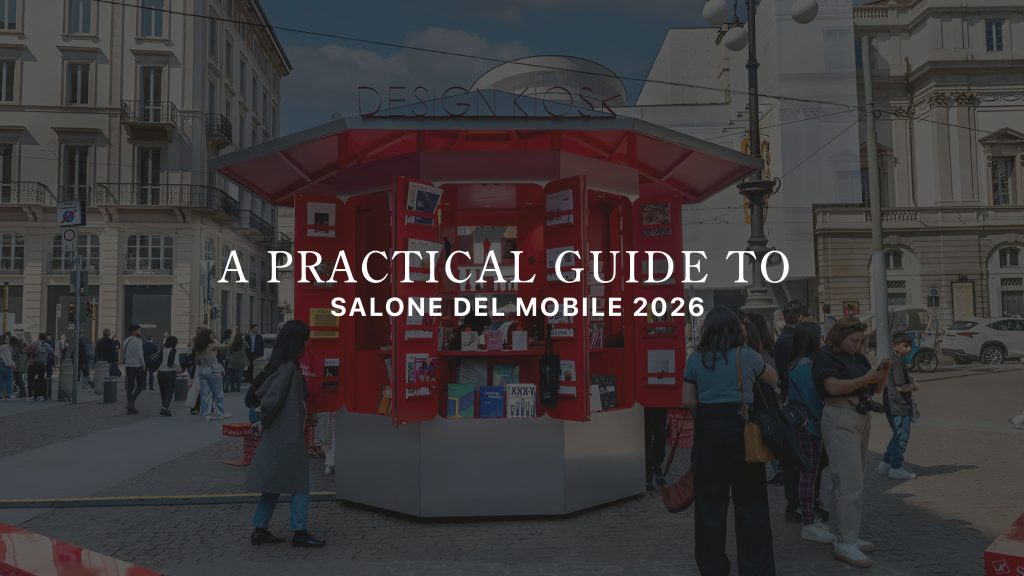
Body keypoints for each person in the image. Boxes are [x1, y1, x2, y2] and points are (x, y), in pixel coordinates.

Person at [683, 306, 779, 575]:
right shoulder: (746, 356)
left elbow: (687, 399)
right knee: (751, 502)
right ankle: (755, 567)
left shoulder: (696, 359)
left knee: (710, 503)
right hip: (742, 430)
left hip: (708, 433)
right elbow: (773, 378)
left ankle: (712, 566)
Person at [812, 317, 892, 568]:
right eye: (853, 341)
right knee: (849, 482)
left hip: (860, 416)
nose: (857, 345)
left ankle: (844, 535)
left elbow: (876, 388)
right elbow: (832, 387)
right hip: (840, 415)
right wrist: (867, 379)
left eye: (860, 341)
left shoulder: (857, 357)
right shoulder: (826, 356)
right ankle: (846, 541)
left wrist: (883, 373)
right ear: (839, 337)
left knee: (851, 480)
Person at [247, 320, 325, 549]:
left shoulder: (280, 364)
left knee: (272, 485)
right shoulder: (289, 368)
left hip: (278, 435)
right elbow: (272, 401)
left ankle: (260, 529)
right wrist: (263, 422)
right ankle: (300, 532)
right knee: (300, 484)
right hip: (287, 436)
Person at [785, 322, 832, 543]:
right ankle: (808, 521)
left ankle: (810, 516)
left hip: (805, 424)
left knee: (808, 474)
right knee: (809, 475)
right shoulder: (805, 366)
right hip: (808, 426)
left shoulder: (800, 363)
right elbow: (812, 400)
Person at [770, 300, 811, 521]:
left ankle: (797, 502)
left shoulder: (785, 338)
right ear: (801, 318)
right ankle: (795, 503)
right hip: (794, 405)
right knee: (796, 458)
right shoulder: (792, 340)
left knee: (795, 458)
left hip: (790, 402)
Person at [879, 332, 919, 481]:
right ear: (895, 346)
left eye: (910, 346)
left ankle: (886, 463)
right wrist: (913, 386)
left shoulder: (892, 360)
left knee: (897, 435)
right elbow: (900, 386)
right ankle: (896, 468)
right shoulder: (898, 362)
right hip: (899, 405)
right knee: (901, 437)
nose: (909, 349)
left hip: (891, 404)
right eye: (905, 345)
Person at [192, 328, 231, 421]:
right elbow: (228, 345)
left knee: (205, 393)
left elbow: (197, 361)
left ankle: (206, 414)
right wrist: (233, 332)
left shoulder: (198, 347)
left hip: (202, 369)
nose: (213, 336)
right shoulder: (212, 345)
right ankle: (221, 413)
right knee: (218, 392)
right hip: (213, 369)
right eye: (211, 335)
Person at [156, 336, 185, 417]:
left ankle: (164, 407)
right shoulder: (174, 350)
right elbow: (176, 363)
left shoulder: (162, 350)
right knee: (170, 391)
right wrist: (179, 370)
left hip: (160, 372)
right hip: (170, 372)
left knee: (163, 391)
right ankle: (164, 408)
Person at [122, 325, 147, 415]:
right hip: (137, 366)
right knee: (141, 385)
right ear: (134, 331)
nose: (140, 332)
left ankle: (130, 409)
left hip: (128, 366)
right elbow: (140, 355)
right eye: (138, 330)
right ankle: (131, 403)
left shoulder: (125, 341)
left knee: (130, 387)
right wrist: (144, 366)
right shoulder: (138, 341)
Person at [643, 407, 668, 490]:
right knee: (647, 435)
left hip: (661, 403)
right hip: (646, 404)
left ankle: (657, 466)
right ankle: (648, 470)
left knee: (661, 434)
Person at [24, 334, 53, 401]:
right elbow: (51, 353)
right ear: (45, 339)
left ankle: (30, 396)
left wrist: (30, 354)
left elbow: (24, 350)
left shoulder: (33, 344)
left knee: (30, 380)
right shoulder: (47, 345)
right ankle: (40, 395)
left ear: (39, 337)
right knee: (41, 380)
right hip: (42, 365)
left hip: (32, 364)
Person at [0, 333, 13, 400]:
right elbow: (8, 358)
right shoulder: (6, 347)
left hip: (0, 363)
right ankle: (8, 395)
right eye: (7, 339)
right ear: (4, 340)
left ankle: (1, 394)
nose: (8, 340)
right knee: (9, 380)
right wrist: (12, 364)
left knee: (1, 380)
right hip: (6, 365)